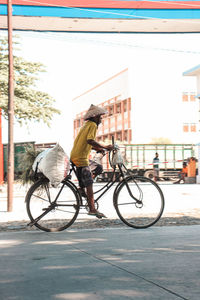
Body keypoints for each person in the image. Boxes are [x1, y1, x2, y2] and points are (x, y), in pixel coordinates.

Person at [70, 104, 114, 218]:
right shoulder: (93, 125)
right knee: (89, 183)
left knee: (98, 168)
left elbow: (87, 143)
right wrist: (105, 147)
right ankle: (92, 208)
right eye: (100, 117)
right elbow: (90, 140)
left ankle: (81, 189)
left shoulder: (86, 125)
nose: (101, 119)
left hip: (75, 156)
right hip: (81, 158)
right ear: (95, 116)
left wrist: (100, 149)